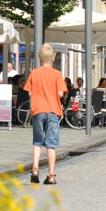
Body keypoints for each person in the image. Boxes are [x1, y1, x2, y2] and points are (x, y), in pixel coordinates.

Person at [24, 44, 67, 185]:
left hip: (37, 110)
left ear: (39, 58)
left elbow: (30, 92)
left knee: (37, 141)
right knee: (51, 144)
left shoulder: (34, 73)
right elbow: (60, 93)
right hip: (53, 110)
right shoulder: (57, 74)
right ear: (53, 58)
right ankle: (50, 175)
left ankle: (35, 169)